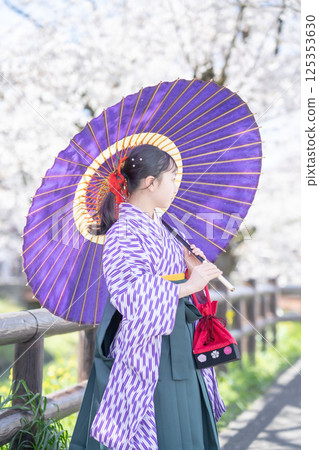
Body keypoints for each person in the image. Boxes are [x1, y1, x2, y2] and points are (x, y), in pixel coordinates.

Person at [69, 144, 226, 450]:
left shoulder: (161, 228)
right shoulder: (124, 231)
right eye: (172, 178)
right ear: (150, 183)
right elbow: (129, 293)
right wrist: (188, 286)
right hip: (148, 346)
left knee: (188, 418)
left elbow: (169, 275)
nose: (175, 186)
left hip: (178, 334)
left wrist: (188, 265)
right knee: (157, 426)